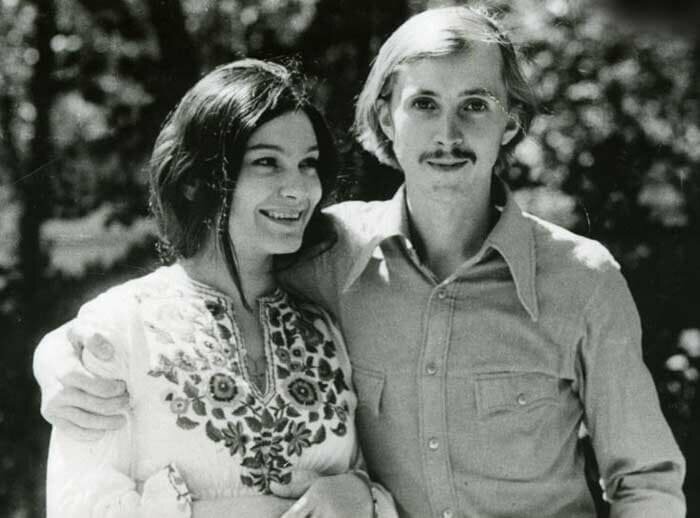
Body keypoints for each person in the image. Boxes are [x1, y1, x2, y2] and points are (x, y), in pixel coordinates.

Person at [34, 6, 686, 517]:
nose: (448, 134)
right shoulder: (331, 254)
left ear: (511, 122)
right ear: (386, 119)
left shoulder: (582, 280)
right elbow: (197, 290)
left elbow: (647, 483)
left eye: (475, 105)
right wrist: (63, 354)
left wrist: (354, 493)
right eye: (424, 103)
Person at [40, 58, 397, 518]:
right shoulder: (119, 328)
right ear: (194, 182)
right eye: (267, 162)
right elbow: (80, 506)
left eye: (307, 164)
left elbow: (372, 478)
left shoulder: (325, 328)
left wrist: (358, 492)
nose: (299, 188)